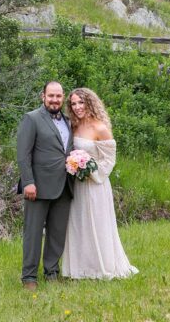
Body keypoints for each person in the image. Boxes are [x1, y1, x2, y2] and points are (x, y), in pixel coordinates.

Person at [61, 87, 138, 279]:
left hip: (96, 184)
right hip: (77, 184)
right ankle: (80, 269)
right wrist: (74, 166)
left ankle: (102, 268)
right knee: (79, 224)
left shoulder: (100, 128)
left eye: (81, 102)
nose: (77, 107)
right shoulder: (73, 126)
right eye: (73, 103)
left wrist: (89, 169)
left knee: (97, 223)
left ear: (90, 103)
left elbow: (109, 160)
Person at [16, 81, 74, 290]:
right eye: (51, 96)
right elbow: (23, 154)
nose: (54, 100)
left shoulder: (68, 121)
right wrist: (28, 182)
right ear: (43, 96)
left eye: (58, 96)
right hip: (38, 188)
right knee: (32, 234)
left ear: (63, 97)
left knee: (57, 234)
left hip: (64, 187)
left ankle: (52, 272)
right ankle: (29, 277)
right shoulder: (32, 119)